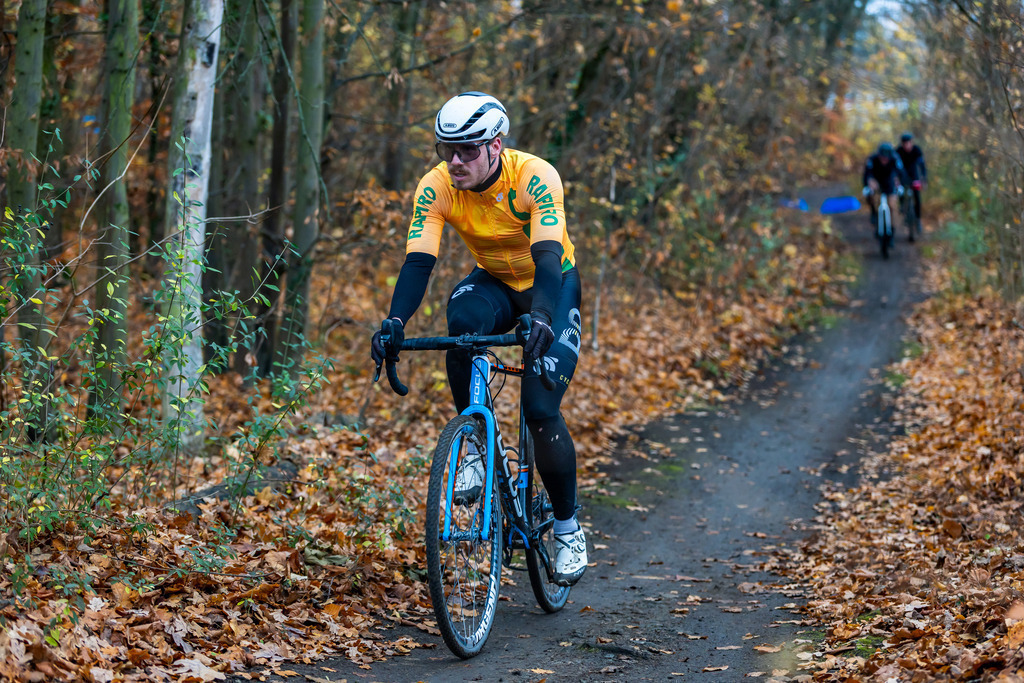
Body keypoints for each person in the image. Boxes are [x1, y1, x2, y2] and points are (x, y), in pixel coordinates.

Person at [370, 92, 587, 586]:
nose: (454, 160)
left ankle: (568, 528)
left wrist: (545, 319)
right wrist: (396, 322)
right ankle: (473, 445)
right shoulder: (438, 185)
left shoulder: (535, 175)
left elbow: (549, 259)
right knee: (462, 321)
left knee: (539, 407)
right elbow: (419, 261)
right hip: (493, 280)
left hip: (550, 284)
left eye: (467, 150)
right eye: (447, 148)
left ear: (496, 144)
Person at [862, 142, 907, 235]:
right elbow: (866, 174)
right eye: (882, 158)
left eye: (886, 158)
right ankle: (874, 213)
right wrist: (869, 182)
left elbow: (902, 173)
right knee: (872, 197)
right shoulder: (872, 159)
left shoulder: (895, 159)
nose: (884, 160)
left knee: (892, 205)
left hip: (890, 183)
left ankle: (892, 229)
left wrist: (899, 182)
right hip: (877, 182)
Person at [896, 132, 927, 234]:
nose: (906, 145)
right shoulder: (898, 151)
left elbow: (922, 165)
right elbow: (894, 167)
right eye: (904, 143)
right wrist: (896, 179)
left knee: (917, 197)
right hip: (902, 176)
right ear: (902, 144)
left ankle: (918, 219)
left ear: (911, 142)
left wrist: (924, 178)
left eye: (908, 143)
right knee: (900, 191)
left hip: (914, 176)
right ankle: (902, 207)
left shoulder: (917, 150)